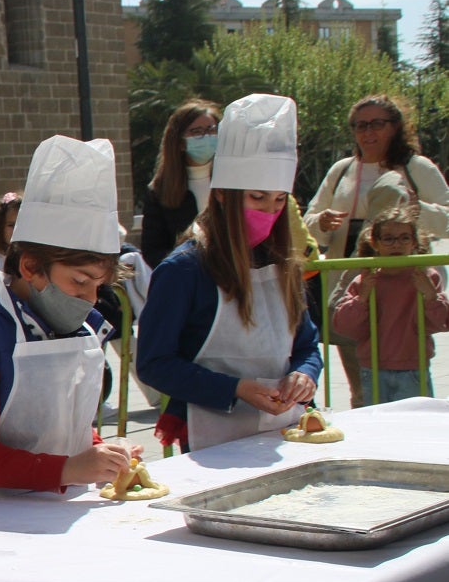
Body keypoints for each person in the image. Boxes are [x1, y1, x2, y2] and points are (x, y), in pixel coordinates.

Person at [0, 136, 134, 509]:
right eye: (80, 282)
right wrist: (69, 469)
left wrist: (101, 452)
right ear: (30, 267)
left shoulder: (79, 330)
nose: (91, 300)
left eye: (99, 286)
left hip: (58, 506)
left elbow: (64, 426)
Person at [137, 94, 322, 453]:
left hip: (284, 430)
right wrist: (235, 389)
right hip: (209, 435)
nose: (269, 211)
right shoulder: (183, 270)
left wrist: (305, 374)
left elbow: (306, 344)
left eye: (279, 200)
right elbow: (155, 363)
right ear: (222, 195)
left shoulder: (282, 264)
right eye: (257, 198)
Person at [304, 94, 449, 406]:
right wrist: (322, 222)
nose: (367, 132)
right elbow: (308, 225)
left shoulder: (417, 168)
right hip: (355, 287)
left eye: (376, 124)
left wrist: (416, 208)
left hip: (405, 296)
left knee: (407, 389)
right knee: (362, 390)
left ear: (395, 127)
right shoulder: (342, 170)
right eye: (360, 125)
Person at [330, 183, 449, 404]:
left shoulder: (426, 277)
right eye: (389, 239)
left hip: (414, 368)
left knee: (414, 421)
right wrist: (362, 298)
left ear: (414, 242)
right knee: (378, 422)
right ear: (375, 243)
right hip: (373, 368)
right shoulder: (366, 278)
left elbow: (442, 323)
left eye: (404, 238)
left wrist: (431, 296)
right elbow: (344, 327)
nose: (397, 245)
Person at [140, 100, 221, 269]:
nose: (206, 136)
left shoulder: (232, 181)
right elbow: (153, 250)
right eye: (197, 132)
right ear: (180, 142)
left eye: (211, 130)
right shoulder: (159, 192)